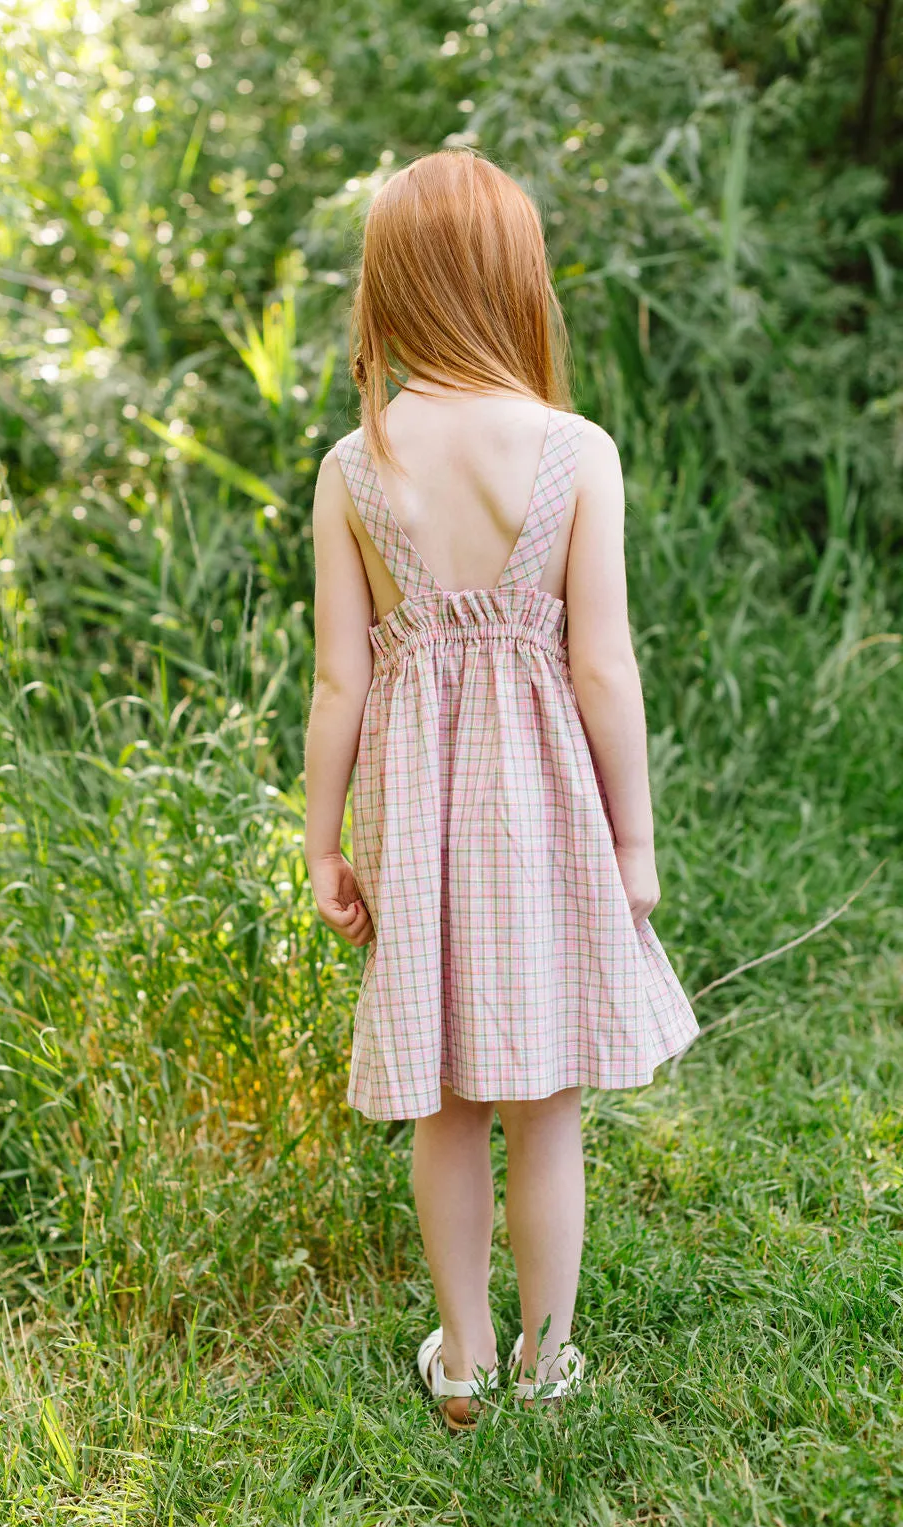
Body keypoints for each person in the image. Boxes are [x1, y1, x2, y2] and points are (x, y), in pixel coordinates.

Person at [303, 147, 699, 1431]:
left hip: (416, 827)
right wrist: (633, 843)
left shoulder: (354, 468)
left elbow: (336, 687)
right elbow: (601, 664)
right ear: (516, 281)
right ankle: (545, 1358)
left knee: (450, 1103)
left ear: (394, 288)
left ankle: (463, 1358)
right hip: (542, 826)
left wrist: (323, 847)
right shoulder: (575, 452)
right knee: (545, 1104)